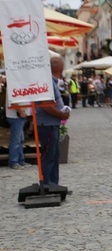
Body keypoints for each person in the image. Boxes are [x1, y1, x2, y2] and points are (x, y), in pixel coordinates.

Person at [35, 56, 71, 185]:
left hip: (51, 123)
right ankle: (47, 184)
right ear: (60, 68)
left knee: (54, 156)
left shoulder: (51, 81)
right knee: (49, 156)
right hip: (47, 124)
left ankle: (53, 184)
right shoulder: (48, 82)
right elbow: (45, 105)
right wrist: (61, 115)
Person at [5, 95, 32, 170]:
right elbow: (13, 102)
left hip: (19, 115)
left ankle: (20, 160)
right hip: (16, 116)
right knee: (16, 140)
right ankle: (14, 161)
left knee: (20, 140)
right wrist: (21, 111)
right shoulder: (13, 85)